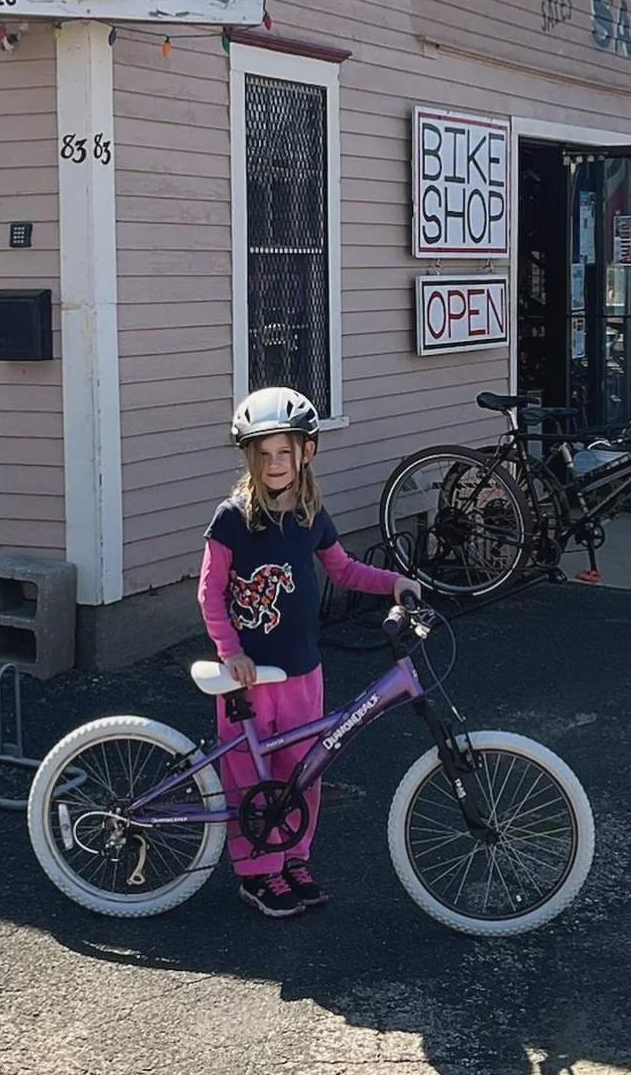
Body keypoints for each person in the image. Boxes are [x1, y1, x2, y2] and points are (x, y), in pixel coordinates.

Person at [197, 386, 421, 918]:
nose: (275, 463)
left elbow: (343, 569)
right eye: (264, 453)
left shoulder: (310, 515)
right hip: (248, 677)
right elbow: (209, 592)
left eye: (284, 452)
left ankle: (293, 856)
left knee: (304, 770)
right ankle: (257, 873)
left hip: (302, 671)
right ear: (251, 458)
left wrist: (393, 583)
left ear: (306, 452)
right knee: (250, 777)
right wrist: (230, 650)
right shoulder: (231, 519)